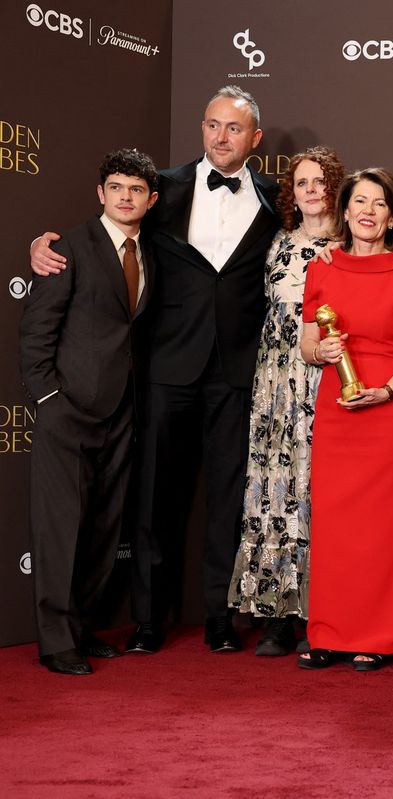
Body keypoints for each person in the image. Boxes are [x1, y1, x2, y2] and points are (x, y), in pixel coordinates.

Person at [31, 85, 281, 654]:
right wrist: (41, 245)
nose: (221, 137)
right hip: (166, 364)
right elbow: (104, 238)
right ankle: (148, 620)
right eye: (212, 125)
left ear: (255, 138)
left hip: (238, 369)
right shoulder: (160, 188)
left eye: (234, 128)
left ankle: (220, 617)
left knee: (228, 498)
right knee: (152, 498)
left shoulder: (276, 198)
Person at [19, 148, 159, 675]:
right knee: (60, 528)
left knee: (102, 528)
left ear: (151, 199)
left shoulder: (150, 253)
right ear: (101, 193)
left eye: (136, 190)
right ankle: (56, 641)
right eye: (116, 187)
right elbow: (37, 331)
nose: (126, 197)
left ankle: (81, 627)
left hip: (123, 412)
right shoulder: (66, 248)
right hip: (68, 410)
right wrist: (48, 399)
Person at [297, 168, 393, 671]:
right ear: (345, 210)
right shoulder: (322, 268)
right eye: (359, 201)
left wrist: (387, 390)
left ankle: (381, 635)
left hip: (391, 407)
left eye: (379, 203)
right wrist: (322, 352)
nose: (368, 211)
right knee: (336, 524)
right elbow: (308, 344)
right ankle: (329, 633)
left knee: (384, 527)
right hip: (339, 406)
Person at [227, 147, 345, 656]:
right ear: (291, 193)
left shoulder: (352, 242)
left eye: (320, 182)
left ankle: (328, 612)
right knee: (276, 489)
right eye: (302, 183)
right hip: (275, 382)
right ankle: (278, 614)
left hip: (327, 377)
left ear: (335, 188)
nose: (311, 190)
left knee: (321, 488)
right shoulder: (276, 241)